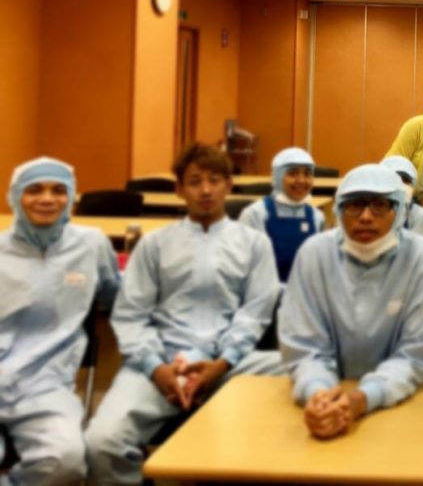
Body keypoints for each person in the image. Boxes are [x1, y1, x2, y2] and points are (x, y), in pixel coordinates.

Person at [85, 144, 282, 485]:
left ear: (228, 185)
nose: (205, 190)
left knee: (305, 370)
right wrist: (156, 367)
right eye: (194, 182)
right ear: (179, 189)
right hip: (162, 363)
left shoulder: (254, 244)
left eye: (214, 180)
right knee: (100, 443)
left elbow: (255, 313)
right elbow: (131, 315)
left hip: (230, 364)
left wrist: (222, 362)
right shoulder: (154, 245)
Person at [278, 164, 423, 440]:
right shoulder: (314, 254)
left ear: (398, 211)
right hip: (326, 399)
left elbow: (415, 354)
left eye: (380, 205)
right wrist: (319, 394)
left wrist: (362, 398)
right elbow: (304, 346)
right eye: (355, 205)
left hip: (402, 395)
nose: (366, 217)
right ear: (339, 210)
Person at [0, 157, 120, 486]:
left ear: (71, 197)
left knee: (65, 464)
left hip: (47, 381)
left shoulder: (91, 244)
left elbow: (117, 297)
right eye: (34, 190)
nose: (47, 199)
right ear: (15, 197)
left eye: (58, 190)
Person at [238, 146, 326, 281]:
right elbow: (245, 268)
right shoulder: (255, 215)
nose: (301, 180)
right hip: (265, 292)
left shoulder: (317, 217)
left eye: (307, 174)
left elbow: (320, 267)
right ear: (277, 177)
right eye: (293, 173)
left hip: (306, 292)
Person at [380, 155, 423, 237]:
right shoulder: (368, 214)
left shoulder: (419, 215)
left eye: (405, 181)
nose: (400, 184)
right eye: (394, 179)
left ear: (413, 185)